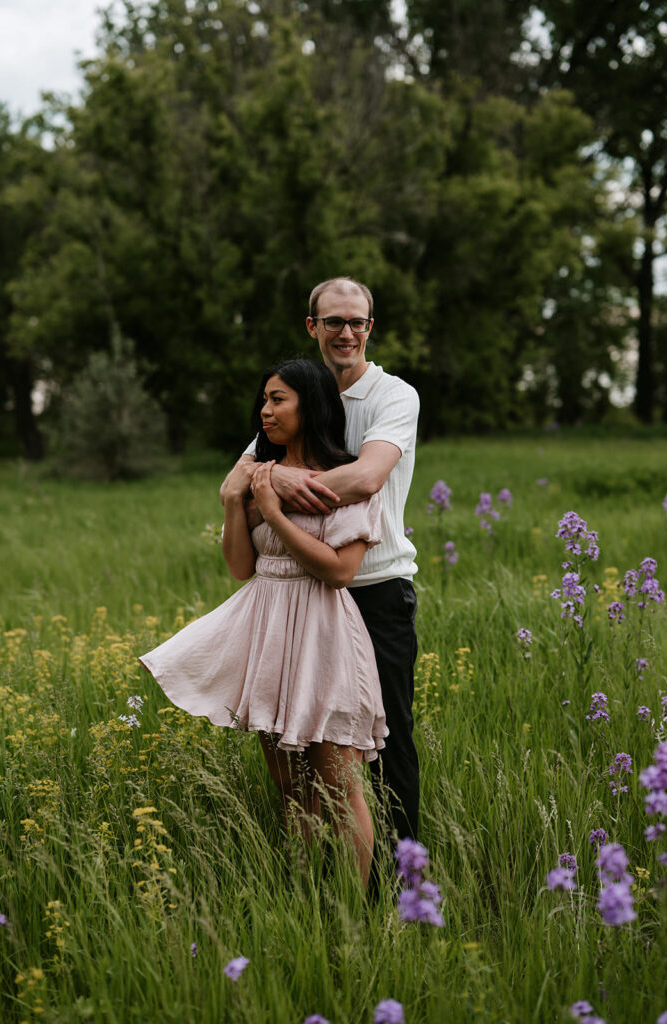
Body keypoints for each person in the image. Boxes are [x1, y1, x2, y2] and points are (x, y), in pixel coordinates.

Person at [140, 359, 387, 886]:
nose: (265, 410)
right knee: (289, 788)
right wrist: (237, 499)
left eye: (279, 400)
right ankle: (303, 897)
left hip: (322, 633)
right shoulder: (257, 477)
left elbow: (340, 572)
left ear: (311, 405)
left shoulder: (345, 483)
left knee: (340, 789)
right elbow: (239, 567)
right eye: (265, 399)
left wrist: (273, 513)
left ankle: (353, 914)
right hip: (268, 633)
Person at [221, 276, 420, 841]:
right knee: (300, 748)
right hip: (296, 604)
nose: (346, 332)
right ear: (313, 327)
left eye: (357, 321)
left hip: (373, 589)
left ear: (370, 327)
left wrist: (279, 486)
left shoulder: (392, 396)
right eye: (333, 321)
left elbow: (365, 477)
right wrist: (269, 479)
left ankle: (401, 891)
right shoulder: (290, 399)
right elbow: (233, 487)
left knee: (386, 746)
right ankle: (316, 889)